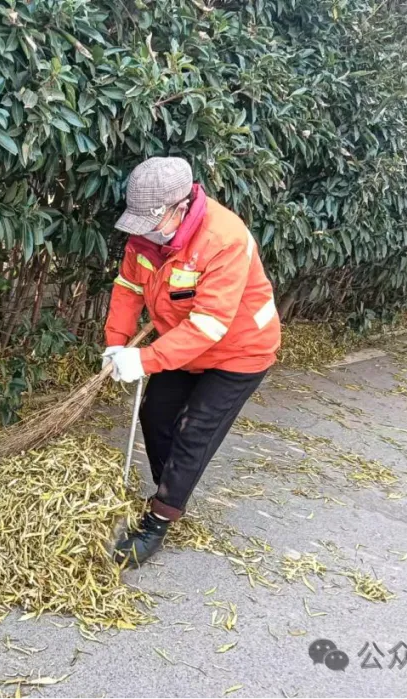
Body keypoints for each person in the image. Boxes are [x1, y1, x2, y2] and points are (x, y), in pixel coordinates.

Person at [103, 157, 281, 568]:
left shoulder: (224, 238)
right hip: (182, 343)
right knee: (156, 414)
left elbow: (209, 325)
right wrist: (116, 344)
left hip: (239, 349)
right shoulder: (146, 235)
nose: (142, 230)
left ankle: (160, 518)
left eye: (151, 220)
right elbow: (128, 288)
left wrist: (145, 360)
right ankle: (176, 487)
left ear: (181, 206)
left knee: (193, 431)